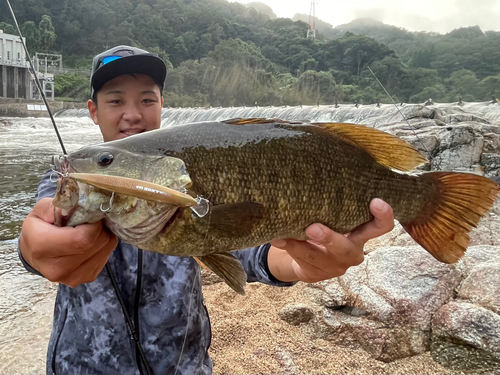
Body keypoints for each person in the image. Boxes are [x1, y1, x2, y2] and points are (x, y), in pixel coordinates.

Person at [18, 45, 395, 374]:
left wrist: (301, 265)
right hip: (81, 367)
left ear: (162, 105)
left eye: (147, 100)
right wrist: (32, 250)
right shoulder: (73, 178)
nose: (132, 114)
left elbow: (255, 249)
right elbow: (41, 229)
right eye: (115, 100)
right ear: (93, 111)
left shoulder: (190, 172)